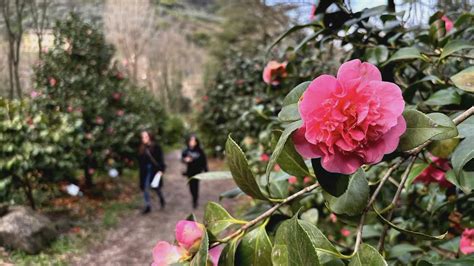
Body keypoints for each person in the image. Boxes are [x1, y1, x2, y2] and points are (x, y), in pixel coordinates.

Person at [138, 130, 166, 214]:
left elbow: (160, 160)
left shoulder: (156, 147)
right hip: (145, 171)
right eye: (142, 137)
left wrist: (161, 170)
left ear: (150, 137)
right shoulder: (141, 148)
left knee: (155, 187)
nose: (144, 139)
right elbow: (140, 161)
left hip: (154, 170)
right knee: (146, 187)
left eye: (146, 137)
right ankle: (147, 206)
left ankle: (161, 199)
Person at [181, 134, 208, 209]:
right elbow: (182, 159)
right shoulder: (186, 150)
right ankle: (193, 196)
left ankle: (195, 200)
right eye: (191, 140)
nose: (192, 142)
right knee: (191, 187)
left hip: (197, 171)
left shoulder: (200, 150)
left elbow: (204, 161)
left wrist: (206, 170)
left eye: (194, 141)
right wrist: (185, 160)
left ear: (196, 142)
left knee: (196, 186)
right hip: (189, 171)